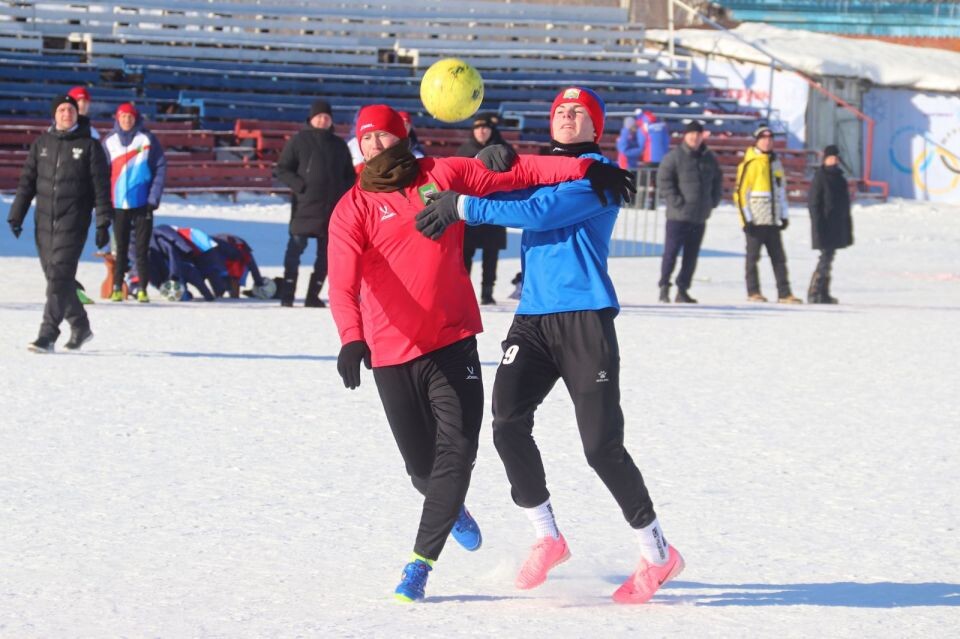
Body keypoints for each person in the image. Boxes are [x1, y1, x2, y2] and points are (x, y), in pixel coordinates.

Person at [328, 103, 633, 602]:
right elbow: (341, 283)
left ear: (400, 138)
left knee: (459, 452)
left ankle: (418, 565)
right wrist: (350, 337)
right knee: (423, 471)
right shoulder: (352, 207)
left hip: (453, 342)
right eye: (365, 140)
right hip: (390, 349)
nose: (373, 146)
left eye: (381, 137)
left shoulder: (442, 174)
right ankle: (450, 508)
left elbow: (526, 171)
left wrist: (588, 167)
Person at [415, 87, 679, 604]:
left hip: (584, 317)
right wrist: (481, 164)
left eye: (578, 111)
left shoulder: (596, 174)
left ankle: (657, 552)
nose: (566, 115)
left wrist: (463, 206)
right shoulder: (542, 168)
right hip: (532, 319)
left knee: (601, 447)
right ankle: (547, 536)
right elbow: (507, 190)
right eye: (559, 110)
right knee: (507, 424)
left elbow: (536, 211)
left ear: (595, 126)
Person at [7, 94, 113, 352]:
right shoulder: (42, 143)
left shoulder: (89, 146)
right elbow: (27, 182)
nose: (67, 114)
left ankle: (48, 334)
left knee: (58, 277)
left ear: (77, 115)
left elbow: (101, 188)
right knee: (57, 279)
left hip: (73, 220)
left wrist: (102, 222)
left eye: (71, 110)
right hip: (43, 221)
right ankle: (80, 326)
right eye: (62, 110)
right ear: (54, 115)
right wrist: (16, 213)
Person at [273, 98, 355, 307]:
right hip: (305, 207)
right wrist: (300, 186)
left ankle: (313, 296)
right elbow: (282, 169)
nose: (323, 120)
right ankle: (287, 296)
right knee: (295, 251)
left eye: (326, 117)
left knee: (326, 257)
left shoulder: (339, 145)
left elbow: (349, 176)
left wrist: (341, 195)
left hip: (330, 210)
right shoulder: (299, 140)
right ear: (311, 118)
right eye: (319, 116)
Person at [103, 102, 167, 302]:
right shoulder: (109, 142)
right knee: (120, 248)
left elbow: (160, 168)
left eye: (130, 117)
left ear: (136, 118)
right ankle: (117, 286)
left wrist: (153, 198)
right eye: (123, 117)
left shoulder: (147, 140)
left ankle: (142, 288)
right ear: (117, 119)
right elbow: (102, 174)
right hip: (118, 203)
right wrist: (105, 201)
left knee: (141, 249)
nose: (126, 120)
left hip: (142, 203)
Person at [733, 125, 803, 304]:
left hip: (772, 219)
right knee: (753, 258)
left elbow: (781, 190)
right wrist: (746, 219)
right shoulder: (750, 164)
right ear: (757, 141)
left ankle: (784, 292)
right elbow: (741, 193)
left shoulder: (775, 163)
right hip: (755, 220)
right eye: (763, 139)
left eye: (770, 139)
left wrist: (784, 214)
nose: (767, 142)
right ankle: (753, 291)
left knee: (779, 258)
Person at [656, 120, 723, 303]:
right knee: (670, 253)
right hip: (678, 216)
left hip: (699, 216)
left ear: (702, 136)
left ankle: (682, 290)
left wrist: (713, 201)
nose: (695, 138)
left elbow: (718, 180)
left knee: (691, 257)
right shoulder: (674, 156)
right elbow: (664, 179)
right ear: (685, 136)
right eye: (691, 134)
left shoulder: (709, 158)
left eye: (698, 134)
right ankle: (664, 287)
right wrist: (676, 201)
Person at [456, 112, 512, 305]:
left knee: (491, 255)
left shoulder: (504, 150)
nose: (481, 131)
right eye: (478, 128)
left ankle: (487, 293)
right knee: (465, 256)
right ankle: (463, 293)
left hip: (494, 209)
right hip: (469, 210)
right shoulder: (464, 151)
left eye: (485, 127)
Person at [807, 144, 853, 304]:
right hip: (824, 223)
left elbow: (844, 204)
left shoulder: (840, 177)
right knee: (825, 257)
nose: (833, 161)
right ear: (825, 159)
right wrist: (818, 224)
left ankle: (824, 292)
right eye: (830, 158)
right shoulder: (820, 176)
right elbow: (814, 202)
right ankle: (814, 291)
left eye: (835, 158)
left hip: (837, 223)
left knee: (829, 257)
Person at [68, 85, 99, 305]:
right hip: (63, 196)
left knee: (75, 243)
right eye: (79, 101)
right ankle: (67, 285)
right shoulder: (58, 130)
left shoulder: (93, 133)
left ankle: (69, 283)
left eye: (86, 102)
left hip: (83, 198)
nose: (83, 106)